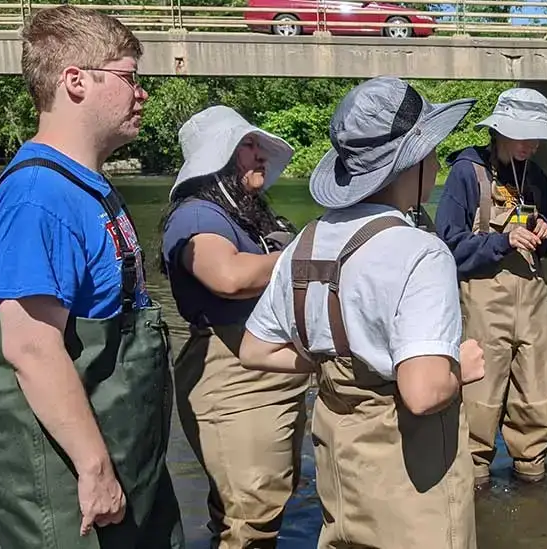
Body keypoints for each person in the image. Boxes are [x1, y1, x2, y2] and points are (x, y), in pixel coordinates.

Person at [0, 5, 184, 548]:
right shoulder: (38, 198)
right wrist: (95, 468)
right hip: (75, 480)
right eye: (129, 77)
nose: (141, 92)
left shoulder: (87, 188)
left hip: (123, 453)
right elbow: (32, 346)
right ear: (75, 81)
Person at [238, 76, 487, 549]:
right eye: (430, 152)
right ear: (408, 164)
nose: (436, 163)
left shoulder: (303, 245)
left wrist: (329, 360)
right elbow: (421, 391)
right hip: (408, 474)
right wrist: (461, 369)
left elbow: (255, 348)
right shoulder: (421, 251)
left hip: (340, 464)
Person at [159, 105, 309, 548]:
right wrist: (310, 255)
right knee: (249, 520)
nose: (260, 154)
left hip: (269, 375)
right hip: (233, 380)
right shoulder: (196, 216)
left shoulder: (246, 213)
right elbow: (227, 277)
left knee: (258, 511)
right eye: (248, 145)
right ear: (218, 158)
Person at [434, 87, 547, 487]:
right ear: (498, 131)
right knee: (480, 399)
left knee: (538, 396)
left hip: (534, 303)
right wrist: (501, 241)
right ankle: (474, 480)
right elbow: (446, 246)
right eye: (521, 134)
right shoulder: (466, 173)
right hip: (483, 304)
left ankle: (531, 472)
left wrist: (546, 231)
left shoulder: (537, 176)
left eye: (535, 136)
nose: (530, 144)